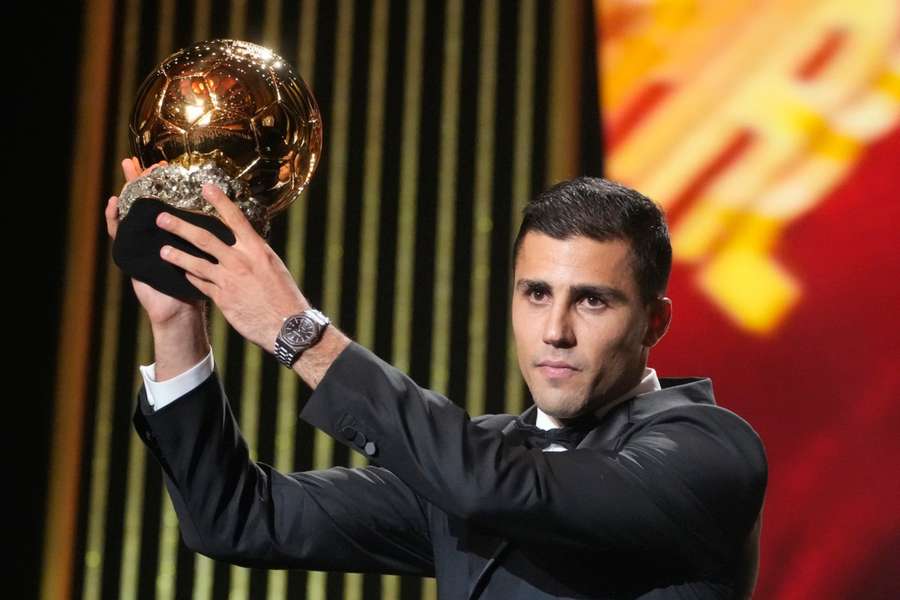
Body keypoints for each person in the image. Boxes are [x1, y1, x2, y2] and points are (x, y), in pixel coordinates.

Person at [106, 161, 767, 599]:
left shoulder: (709, 452)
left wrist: (301, 333)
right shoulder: (466, 463)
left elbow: (495, 487)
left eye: (592, 300)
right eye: (535, 294)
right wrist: (176, 325)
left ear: (654, 322)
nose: (555, 330)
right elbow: (238, 520)